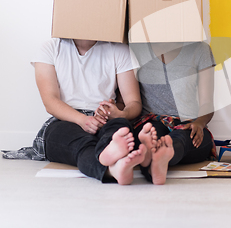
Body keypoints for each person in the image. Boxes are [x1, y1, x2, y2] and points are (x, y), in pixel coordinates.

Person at [3, 38, 147, 185]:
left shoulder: (119, 50)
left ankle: (111, 155)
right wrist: (82, 120)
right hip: (65, 119)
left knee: (120, 126)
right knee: (81, 144)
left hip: (104, 119)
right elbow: (50, 102)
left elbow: (134, 103)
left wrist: (120, 113)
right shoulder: (51, 48)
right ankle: (112, 168)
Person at [127, 41, 216, 185]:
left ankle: (161, 154)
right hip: (150, 121)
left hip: (187, 123)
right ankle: (156, 156)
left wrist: (199, 123)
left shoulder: (199, 49)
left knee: (184, 138)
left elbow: (207, 102)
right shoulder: (136, 48)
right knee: (152, 133)